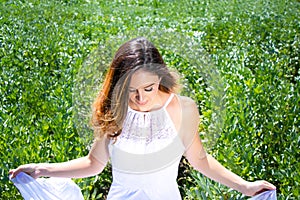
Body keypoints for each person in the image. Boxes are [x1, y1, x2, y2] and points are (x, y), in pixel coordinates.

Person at [10, 37, 276, 199]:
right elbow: (94, 163)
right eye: (131, 91)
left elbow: (200, 160)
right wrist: (42, 169)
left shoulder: (183, 109)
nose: (140, 98)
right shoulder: (116, 109)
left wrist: (245, 186)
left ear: (160, 77)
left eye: (148, 89)